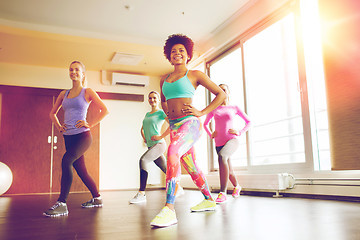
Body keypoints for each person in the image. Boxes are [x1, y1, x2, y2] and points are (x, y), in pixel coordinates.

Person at [150, 34, 226, 227]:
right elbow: (164, 102)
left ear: (188, 55)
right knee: (191, 167)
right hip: (175, 126)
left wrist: (201, 112)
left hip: (190, 123)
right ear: (169, 55)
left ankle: (169, 209)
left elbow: (220, 94)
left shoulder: (195, 75)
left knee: (172, 152)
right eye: (173, 51)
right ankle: (209, 199)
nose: (177, 54)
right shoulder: (163, 79)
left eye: (181, 51)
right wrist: (169, 115)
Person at [43, 61, 109, 217]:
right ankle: (97, 198)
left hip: (83, 136)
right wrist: (59, 127)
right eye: (71, 70)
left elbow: (105, 110)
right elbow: (52, 113)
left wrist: (90, 124)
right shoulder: (63, 94)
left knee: (66, 161)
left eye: (77, 70)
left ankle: (62, 203)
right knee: (81, 170)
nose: (73, 72)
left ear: (83, 73)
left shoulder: (87, 92)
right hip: (68, 137)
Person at [203, 84, 251, 204]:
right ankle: (237, 186)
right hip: (218, 143)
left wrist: (239, 132)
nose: (221, 92)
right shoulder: (214, 108)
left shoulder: (234, 107)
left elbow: (249, 122)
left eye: (224, 90)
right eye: (219, 90)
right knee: (228, 170)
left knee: (222, 157)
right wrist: (211, 134)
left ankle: (222, 193)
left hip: (232, 140)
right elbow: (205, 124)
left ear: (228, 92)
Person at [129, 91, 173, 204]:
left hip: (159, 144)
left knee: (143, 160)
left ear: (158, 99)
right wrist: (145, 138)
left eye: (154, 98)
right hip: (150, 145)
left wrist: (161, 136)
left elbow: (172, 125)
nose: (152, 100)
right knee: (165, 169)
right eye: (150, 98)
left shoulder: (161, 113)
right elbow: (142, 129)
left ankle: (142, 193)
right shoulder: (147, 114)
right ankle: (177, 188)